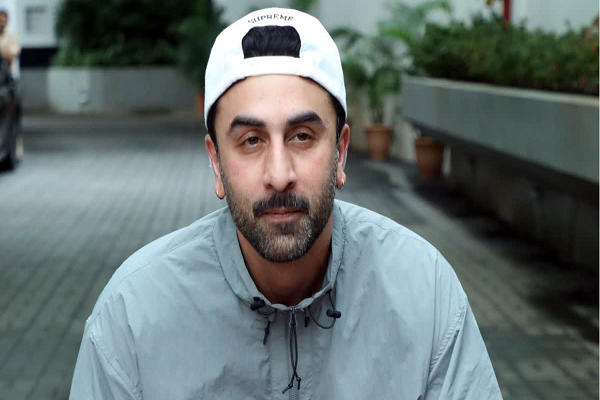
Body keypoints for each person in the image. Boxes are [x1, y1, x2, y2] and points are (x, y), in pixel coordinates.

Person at [70, 8, 502, 399]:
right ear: (216, 162)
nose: (279, 174)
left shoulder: (424, 293)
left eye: (302, 136)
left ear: (341, 152)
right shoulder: (133, 317)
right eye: (251, 141)